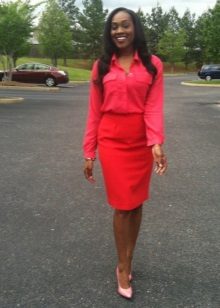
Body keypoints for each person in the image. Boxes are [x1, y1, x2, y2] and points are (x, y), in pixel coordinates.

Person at [83, 7, 167, 299]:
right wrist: (89, 152)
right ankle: (122, 265)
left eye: (125, 26)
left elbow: (154, 105)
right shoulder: (102, 66)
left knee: (136, 202)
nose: (119, 31)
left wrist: (156, 142)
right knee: (122, 205)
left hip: (140, 143)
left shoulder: (153, 64)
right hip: (112, 142)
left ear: (135, 28)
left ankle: (130, 256)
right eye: (114, 27)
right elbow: (95, 110)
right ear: (110, 33)